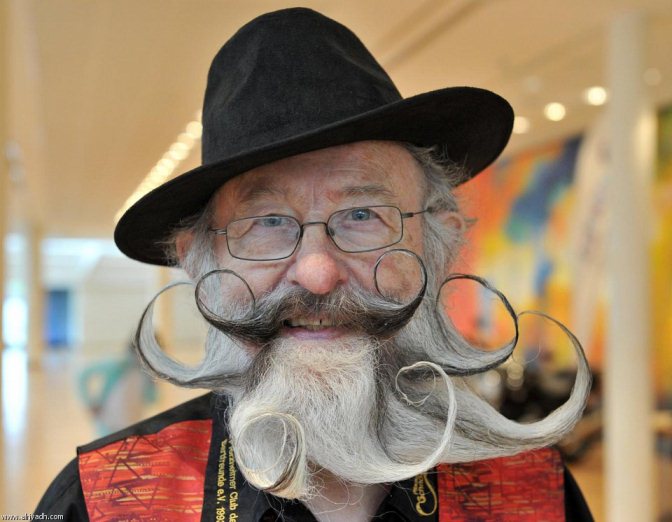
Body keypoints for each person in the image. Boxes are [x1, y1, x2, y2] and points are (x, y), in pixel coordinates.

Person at [37, 8, 593, 521]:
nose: (318, 273)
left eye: (362, 215)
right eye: (267, 222)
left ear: (438, 244)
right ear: (199, 262)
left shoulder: (535, 495)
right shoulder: (99, 499)